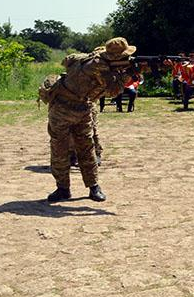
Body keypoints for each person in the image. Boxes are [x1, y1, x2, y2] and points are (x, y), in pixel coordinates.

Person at [39, 37, 139, 202]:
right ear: (115, 57)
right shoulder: (96, 65)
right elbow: (113, 91)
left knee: (86, 147)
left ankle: (93, 186)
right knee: (60, 149)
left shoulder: (102, 60)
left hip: (83, 107)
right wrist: (129, 74)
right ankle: (62, 188)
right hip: (62, 109)